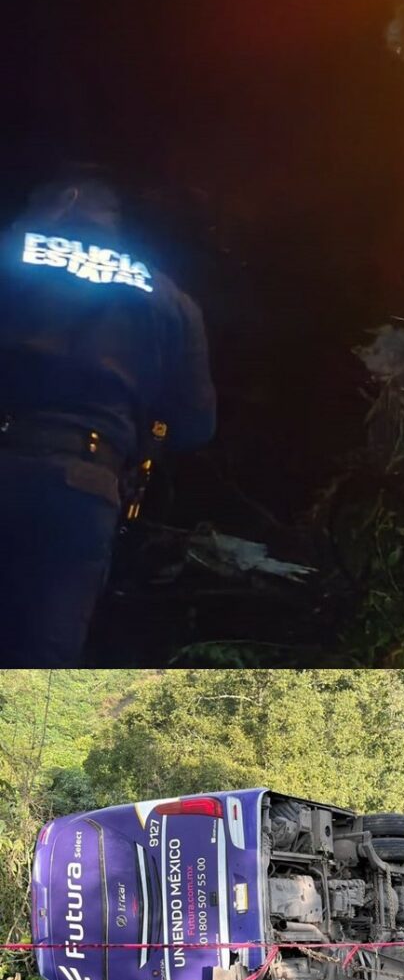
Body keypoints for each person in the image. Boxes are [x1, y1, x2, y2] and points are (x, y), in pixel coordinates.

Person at [0, 176, 215, 664]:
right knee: (41, 663)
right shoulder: (168, 297)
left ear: (62, 201)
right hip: (85, 486)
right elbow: (196, 425)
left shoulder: (11, 251)